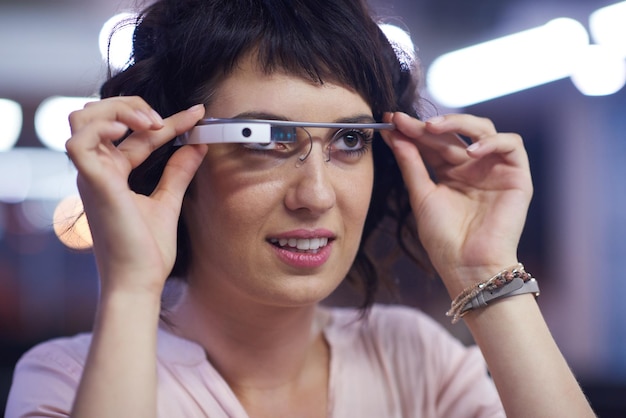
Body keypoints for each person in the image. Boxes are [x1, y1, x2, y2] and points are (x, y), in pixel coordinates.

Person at [6, 0, 595, 417]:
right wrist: (132, 286)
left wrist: (481, 270)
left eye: (349, 141)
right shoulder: (66, 382)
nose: (315, 194)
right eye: (263, 140)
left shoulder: (417, 362)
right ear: (172, 158)